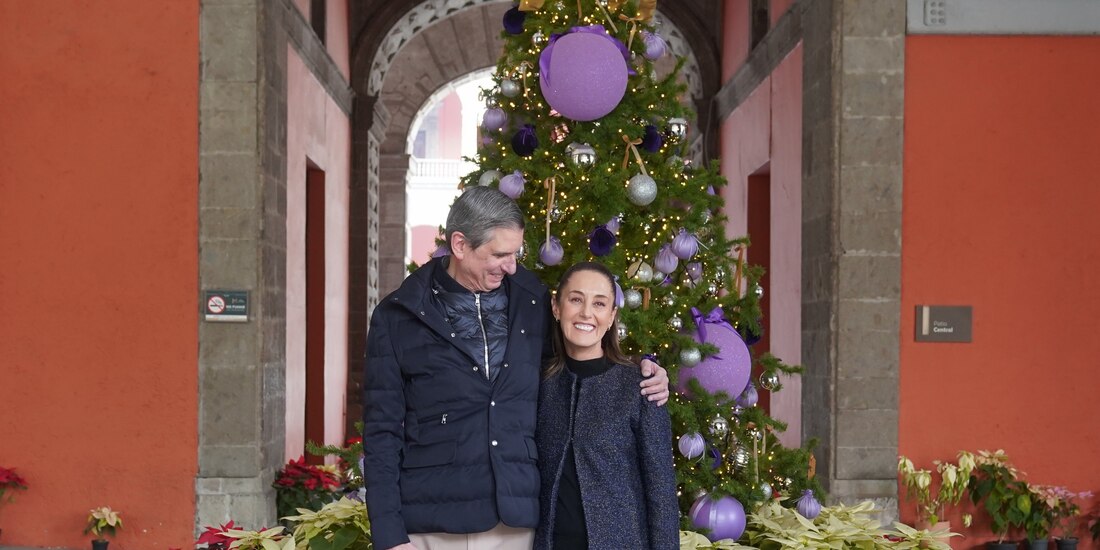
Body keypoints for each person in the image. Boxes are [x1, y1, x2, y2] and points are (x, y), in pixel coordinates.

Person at [363, 187, 669, 550]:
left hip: (514, 527)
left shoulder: (531, 298)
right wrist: (389, 536)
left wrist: (643, 371)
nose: (512, 265)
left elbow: (576, 361)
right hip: (429, 526)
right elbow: (382, 432)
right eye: (500, 254)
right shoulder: (398, 316)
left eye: (516, 253)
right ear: (460, 245)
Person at [534, 261, 679, 550]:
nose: (586, 312)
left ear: (612, 316)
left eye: (599, 304)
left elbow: (661, 491)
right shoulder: (538, 383)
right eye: (576, 299)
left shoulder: (641, 386)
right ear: (556, 306)